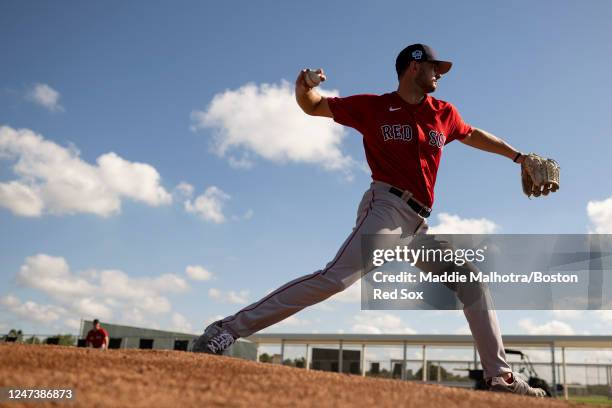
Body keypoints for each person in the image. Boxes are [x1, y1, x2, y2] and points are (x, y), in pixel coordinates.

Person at [192, 44, 555, 397]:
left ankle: (500, 377)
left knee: (472, 283)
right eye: (434, 68)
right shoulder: (374, 107)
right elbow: (314, 106)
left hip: (417, 225)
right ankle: (225, 330)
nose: (439, 76)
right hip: (386, 209)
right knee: (333, 279)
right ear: (414, 67)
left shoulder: (443, 112)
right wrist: (303, 88)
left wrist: (518, 157)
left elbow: (472, 133)